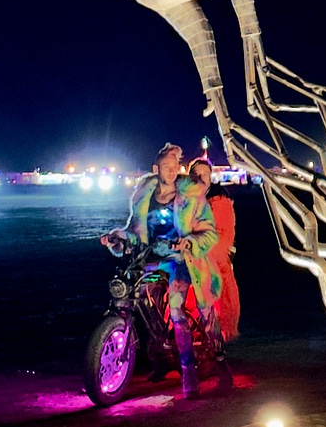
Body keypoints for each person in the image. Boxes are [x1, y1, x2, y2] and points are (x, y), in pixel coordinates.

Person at [100, 142, 232, 398]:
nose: (171, 171)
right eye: (166, 167)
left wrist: (189, 242)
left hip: (185, 261)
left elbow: (209, 233)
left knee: (181, 309)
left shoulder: (192, 196)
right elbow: (135, 232)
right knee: (135, 296)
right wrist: (118, 238)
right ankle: (158, 354)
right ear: (156, 168)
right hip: (151, 259)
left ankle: (201, 369)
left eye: (175, 167)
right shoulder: (144, 197)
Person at [189, 158, 241, 343]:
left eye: (205, 174)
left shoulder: (219, 199)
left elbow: (222, 234)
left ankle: (214, 337)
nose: (200, 177)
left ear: (210, 177)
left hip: (211, 256)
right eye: (196, 174)